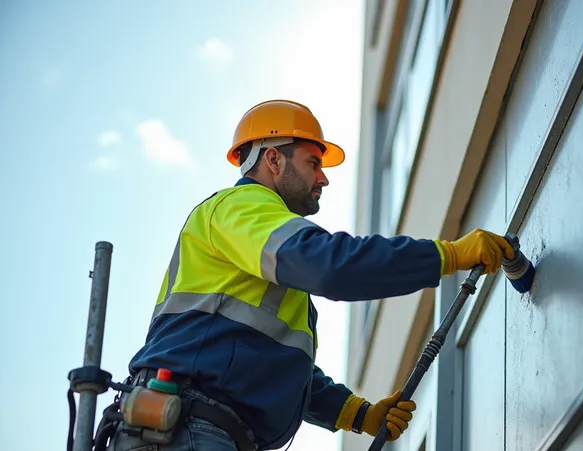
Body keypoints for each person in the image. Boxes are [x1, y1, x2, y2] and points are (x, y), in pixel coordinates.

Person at [107, 99, 514, 450]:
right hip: (189, 426)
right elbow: (332, 265)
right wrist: (447, 255)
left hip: (200, 428)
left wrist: (358, 413)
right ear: (272, 159)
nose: (323, 177)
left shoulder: (261, 253)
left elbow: (271, 360)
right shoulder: (240, 206)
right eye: (313, 162)